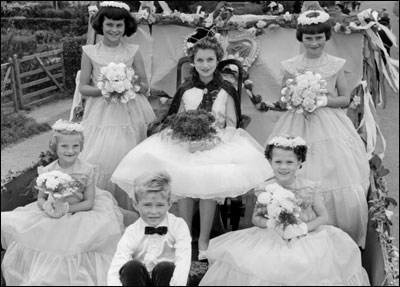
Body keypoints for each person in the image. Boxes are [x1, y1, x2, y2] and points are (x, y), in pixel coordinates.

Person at [111, 35, 274, 260]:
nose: (205, 65)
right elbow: (175, 120)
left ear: (217, 61)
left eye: (210, 60)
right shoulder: (186, 89)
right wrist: (185, 139)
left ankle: (204, 239)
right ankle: (185, 236)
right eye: (200, 60)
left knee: (207, 180)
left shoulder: (227, 89)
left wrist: (211, 142)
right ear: (193, 62)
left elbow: (232, 124)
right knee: (182, 177)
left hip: (217, 143)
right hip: (184, 142)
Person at [199, 135, 370, 286]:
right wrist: (271, 223)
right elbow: (256, 219)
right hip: (272, 235)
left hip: (305, 236)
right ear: (270, 162)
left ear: (300, 163)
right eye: (278, 162)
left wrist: (303, 228)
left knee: (307, 265)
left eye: (290, 162)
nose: (283, 167)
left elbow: (323, 216)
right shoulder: (266, 188)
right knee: (264, 265)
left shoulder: (309, 188)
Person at [267, 9, 370, 248]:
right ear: (301, 39)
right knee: (294, 167)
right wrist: (296, 98)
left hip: (328, 123)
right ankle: (293, 227)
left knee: (333, 171)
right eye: (309, 38)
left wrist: (323, 101)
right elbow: (284, 98)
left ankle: (336, 236)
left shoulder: (335, 64)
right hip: (297, 121)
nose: (314, 43)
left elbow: (344, 98)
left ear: (327, 37)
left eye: (319, 37)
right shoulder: (291, 66)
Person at [1, 120, 124, 286]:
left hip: (79, 210)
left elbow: (88, 202)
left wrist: (67, 209)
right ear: (55, 148)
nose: (70, 150)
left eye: (75, 146)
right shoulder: (48, 171)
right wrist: (47, 207)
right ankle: (43, 273)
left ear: (81, 147)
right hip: (52, 210)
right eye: (64, 146)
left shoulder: (87, 170)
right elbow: (41, 198)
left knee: (77, 240)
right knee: (37, 233)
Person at [78, 1, 155, 210]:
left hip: (129, 111)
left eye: (119, 25)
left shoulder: (132, 51)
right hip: (100, 114)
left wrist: (126, 86)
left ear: (125, 26)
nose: (114, 30)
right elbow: (84, 87)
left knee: (127, 159)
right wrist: (107, 90)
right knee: (99, 159)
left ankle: (128, 212)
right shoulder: (90, 52)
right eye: (109, 24)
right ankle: (100, 210)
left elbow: (144, 84)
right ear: (101, 25)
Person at [107, 170, 192, 286]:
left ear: (169, 204)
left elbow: (183, 259)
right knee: (131, 266)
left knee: (165, 267)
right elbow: (118, 263)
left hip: (169, 281)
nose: (154, 212)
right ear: (136, 204)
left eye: (160, 205)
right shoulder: (132, 231)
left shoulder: (178, 225)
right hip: (140, 281)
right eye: (147, 205)